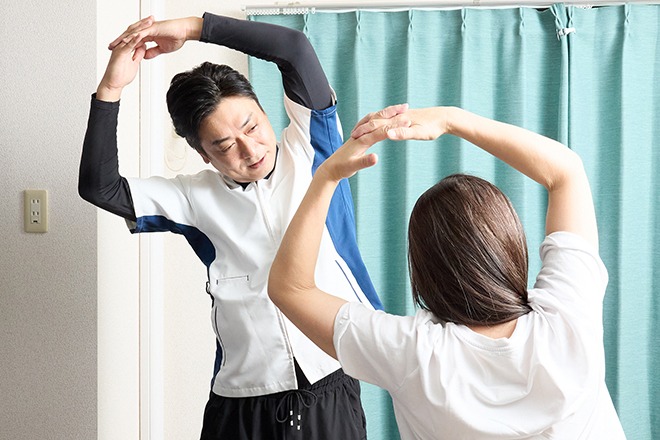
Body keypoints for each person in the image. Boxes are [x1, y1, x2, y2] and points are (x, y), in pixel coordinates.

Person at [79, 13, 389, 440]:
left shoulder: (312, 148)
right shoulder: (194, 198)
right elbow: (99, 186)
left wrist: (194, 28)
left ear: (264, 111)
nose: (249, 149)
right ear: (203, 154)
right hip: (240, 402)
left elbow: (294, 49)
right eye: (224, 145)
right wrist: (111, 89)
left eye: (252, 126)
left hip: (327, 385)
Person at [268, 105, 627, 439]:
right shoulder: (569, 313)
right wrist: (452, 119)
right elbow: (566, 172)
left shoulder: (413, 354)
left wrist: (327, 175)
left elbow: (289, 289)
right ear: (510, 243)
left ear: (423, 270)